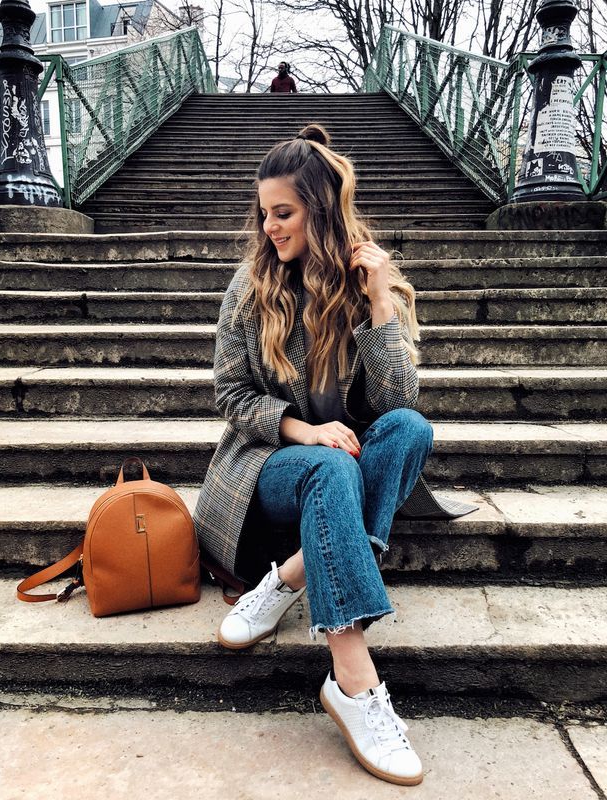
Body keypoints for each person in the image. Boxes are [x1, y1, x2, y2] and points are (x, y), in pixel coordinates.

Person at [193, 123, 433, 786]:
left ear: (321, 212)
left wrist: (379, 295)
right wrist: (304, 430)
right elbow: (231, 395)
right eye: (264, 213)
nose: (269, 226)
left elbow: (396, 401)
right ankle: (353, 682)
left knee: (412, 429)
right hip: (268, 471)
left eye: (284, 213)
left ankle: (293, 576)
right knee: (332, 463)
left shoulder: (362, 283)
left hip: (342, 479)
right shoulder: (250, 286)